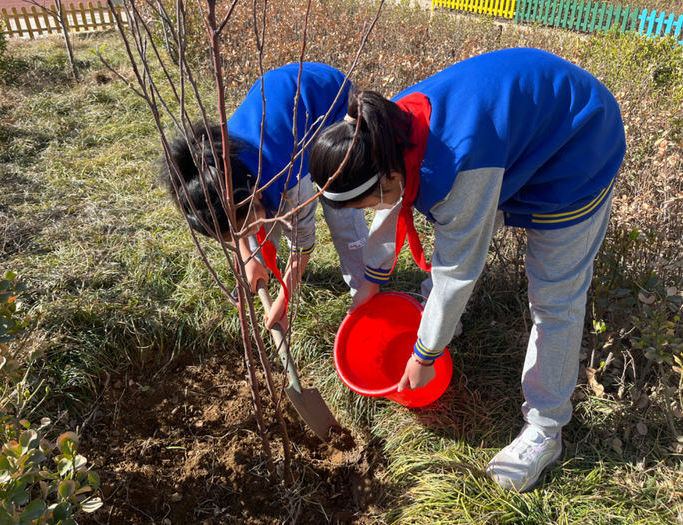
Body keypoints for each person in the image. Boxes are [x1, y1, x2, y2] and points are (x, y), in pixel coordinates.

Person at [309, 47, 626, 492]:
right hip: (518, 136)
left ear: (386, 180)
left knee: (556, 299)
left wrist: (425, 353)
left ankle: (545, 429)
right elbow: (391, 207)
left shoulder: (459, 167)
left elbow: (460, 268)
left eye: (366, 203)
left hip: (579, 143)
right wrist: (370, 281)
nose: (372, 211)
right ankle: (440, 319)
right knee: (463, 234)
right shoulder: (380, 132)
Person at [159, 62, 369, 329]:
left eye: (246, 224)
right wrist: (246, 256)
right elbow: (236, 223)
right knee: (254, 220)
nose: (246, 231)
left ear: (254, 193)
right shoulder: (216, 174)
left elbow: (302, 242)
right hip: (281, 112)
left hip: (327, 102)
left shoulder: (285, 177)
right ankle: (256, 271)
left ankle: (365, 291)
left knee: (341, 208)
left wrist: (285, 296)